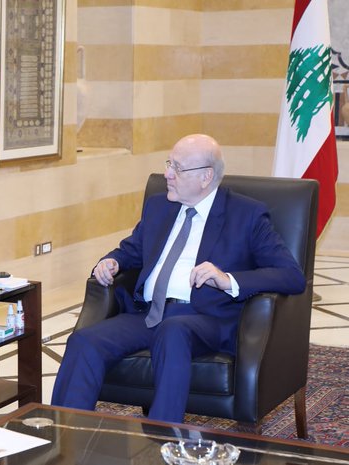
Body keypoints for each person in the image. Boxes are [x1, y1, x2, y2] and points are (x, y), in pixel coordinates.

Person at [51, 134, 306, 423]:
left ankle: (163, 438)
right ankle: (66, 435)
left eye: (178, 168)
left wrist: (228, 279)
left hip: (204, 318)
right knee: (84, 341)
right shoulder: (159, 206)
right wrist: (112, 261)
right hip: (148, 314)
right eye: (169, 163)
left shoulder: (246, 215)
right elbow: (132, 250)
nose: (167, 174)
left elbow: (291, 276)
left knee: (173, 331)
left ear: (206, 177)